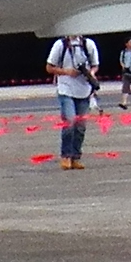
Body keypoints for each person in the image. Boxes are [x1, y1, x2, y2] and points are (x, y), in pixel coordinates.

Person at [44, 31, 100, 163]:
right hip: (66, 88)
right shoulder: (60, 45)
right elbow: (49, 67)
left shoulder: (88, 44)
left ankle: (76, 156)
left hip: (84, 89)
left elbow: (95, 64)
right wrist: (66, 72)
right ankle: (66, 155)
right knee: (69, 122)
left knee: (81, 126)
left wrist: (90, 73)